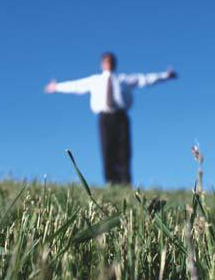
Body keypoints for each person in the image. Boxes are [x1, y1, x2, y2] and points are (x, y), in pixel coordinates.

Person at [45, 52, 177, 185]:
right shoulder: (95, 80)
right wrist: (56, 87)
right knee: (107, 149)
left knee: (124, 150)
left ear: (115, 64)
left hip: (121, 117)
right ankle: (110, 182)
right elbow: (76, 85)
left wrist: (166, 76)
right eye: (106, 61)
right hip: (104, 118)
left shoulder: (124, 79)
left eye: (111, 61)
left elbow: (145, 79)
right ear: (102, 64)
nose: (109, 64)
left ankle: (125, 182)